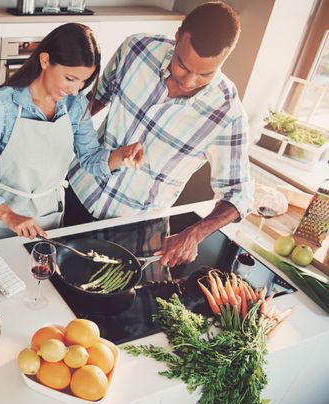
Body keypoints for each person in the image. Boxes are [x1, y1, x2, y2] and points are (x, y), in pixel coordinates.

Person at [65, 1, 254, 267]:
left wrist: (195, 233)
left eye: (205, 74)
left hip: (136, 229)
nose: (188, 82)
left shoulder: (228, 113)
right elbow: (92, 103)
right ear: (177, 37)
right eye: (183, 66)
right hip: (76, 191)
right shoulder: (136, 50)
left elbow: (240, 194)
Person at [0, 23, 143, 242]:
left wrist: (120, 157)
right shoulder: (4, 104)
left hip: (48, 215)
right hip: (0, 218)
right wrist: (9, 216)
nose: (75, 90)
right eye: (70, 79)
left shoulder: (75, 105)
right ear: (45, 61)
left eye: (84, 81)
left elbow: (90, 158)